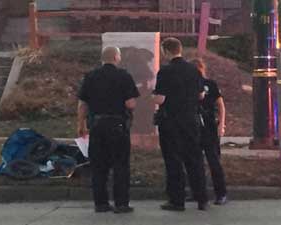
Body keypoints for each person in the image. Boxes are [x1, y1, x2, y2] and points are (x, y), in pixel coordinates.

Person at [77, 46, 140, 213]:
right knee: (120, 165)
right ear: (116, 57)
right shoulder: (123, 76)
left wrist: (81, 125)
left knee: (98, 166)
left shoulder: (90, 76)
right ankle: (121, 204)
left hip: (97, 126)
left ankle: (101, 203)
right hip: (117, 126)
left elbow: (83, 104)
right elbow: (130, 103)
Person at [153, 37, 208, 211]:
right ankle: (202, 198)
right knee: (194, 158)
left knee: (173, 160)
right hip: (191, 120)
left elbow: (160, 99)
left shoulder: (165, 72)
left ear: (166, 51)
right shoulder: (194, 70)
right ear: (180, 49)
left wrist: (151, 96)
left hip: (171, 121)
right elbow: (201, 95)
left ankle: (177, 200)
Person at [191, 58, 228, 205]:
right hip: (194, 125)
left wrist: (221, 124)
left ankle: (221, 193)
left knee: (213, 160)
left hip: (209, 125)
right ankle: (198, 191)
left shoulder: (210, 85)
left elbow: (220, 105)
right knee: (195, 161)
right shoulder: (189, 86)